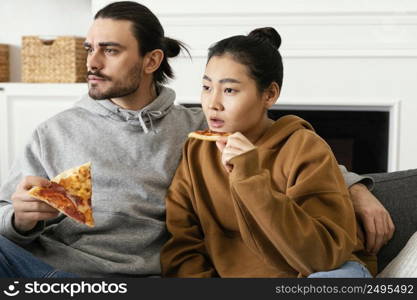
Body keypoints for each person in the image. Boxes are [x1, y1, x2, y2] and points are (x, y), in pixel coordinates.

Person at [0, 1, 392, 278]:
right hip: (50, 269)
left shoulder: (194, 129)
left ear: (152, 61)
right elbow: (7, 214)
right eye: (90, 49)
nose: (92, 63)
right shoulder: (54, 131)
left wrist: (356, 187)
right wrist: (18, 219)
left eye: (110, 50)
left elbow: (282, 148)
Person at [160, 27, 378, 278]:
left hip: (323, 271)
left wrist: (250, 178)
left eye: (229, 90)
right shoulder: (197, 150)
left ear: (270, 94)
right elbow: (182, 243)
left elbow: (324, 256)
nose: (213, 103)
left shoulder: (304, 147)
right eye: (207, 87)